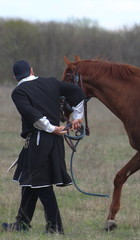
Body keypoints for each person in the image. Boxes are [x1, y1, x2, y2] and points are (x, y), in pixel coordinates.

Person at [2, 60, 85, 234]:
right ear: (32, 70)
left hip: (41, 139)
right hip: (47, 140)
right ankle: (22, 223)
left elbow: (32, 114)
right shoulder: (51, 82)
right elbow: (77, 92)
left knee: (41, 184)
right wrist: (77, 117)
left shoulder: (19, 91)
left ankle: (55, 228)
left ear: (15, 77)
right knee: (29, 181)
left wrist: (51, 128)